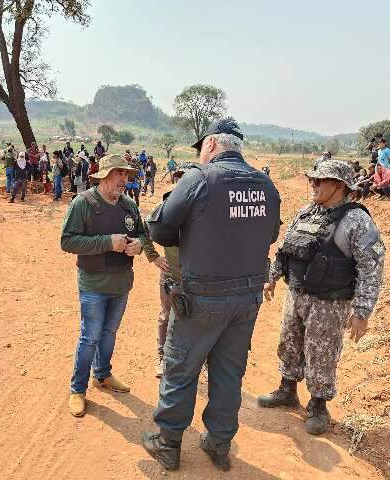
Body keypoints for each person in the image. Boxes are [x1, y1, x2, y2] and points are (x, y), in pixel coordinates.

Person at [142, 119, 281, 472]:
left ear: (212, 145)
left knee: (181, 369)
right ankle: (219, 445)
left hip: (201, 299)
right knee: (228, 374)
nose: (201, 154)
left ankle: (169, 443)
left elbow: (159, 228)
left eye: (201, 147)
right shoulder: (265, 185)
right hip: (245, 301)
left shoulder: (200, 179)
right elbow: (268, 235)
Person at [258, 160, 385, 436]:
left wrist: (362, 311)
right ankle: (287, 389)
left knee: (322, 352)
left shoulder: (357, 221)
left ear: (339, 186)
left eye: (320, 181)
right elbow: (285, 248)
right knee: (289, 342)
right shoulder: (305, 213)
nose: (313, 185)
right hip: (297, 294)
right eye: (312, 180)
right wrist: (272, 277)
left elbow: (372, 267)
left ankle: (318, 405)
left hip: (330, 302)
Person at [61, 154, 145, 418]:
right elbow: (67, 241)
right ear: (104, 175)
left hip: (121, 283)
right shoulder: (83, 203)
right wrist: (107, 242)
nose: (124, 179)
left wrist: (139, 245)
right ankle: (78, 390)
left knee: (109, 333)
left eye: (126, 174)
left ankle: (103, 374)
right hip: (94, 284)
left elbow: (143, 233)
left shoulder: (129, 205)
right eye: (119, 174)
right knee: (90, 337)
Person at [142, 165, 193, 378]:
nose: (181, 182)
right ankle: (162, 358)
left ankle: (200, 363)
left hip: (197, 277)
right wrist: (153, 256)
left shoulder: (204, 208)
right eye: (178, 178)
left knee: (197, 320)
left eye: (186, 179)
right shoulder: (164, 207)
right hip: (171, 275)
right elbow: (144, 229)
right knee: (166, 316)